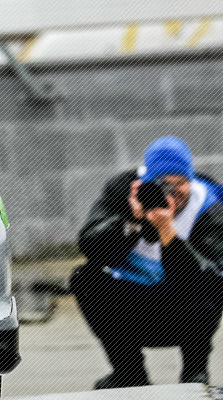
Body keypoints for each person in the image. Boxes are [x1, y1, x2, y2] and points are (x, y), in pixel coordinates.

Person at [71, 136, 223, 387]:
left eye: (181, 183)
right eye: (164, 185)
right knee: (84, 278)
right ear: (148, 181)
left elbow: (210, 279)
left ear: (191, 180)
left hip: (183, 310)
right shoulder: (124, 190)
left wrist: (167, 231)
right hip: (134, 301)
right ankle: (129, 373)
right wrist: (131, 221)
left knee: (211, 290)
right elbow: (90, 246)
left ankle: (195, 372)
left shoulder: (209, 207)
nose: (172, 194)